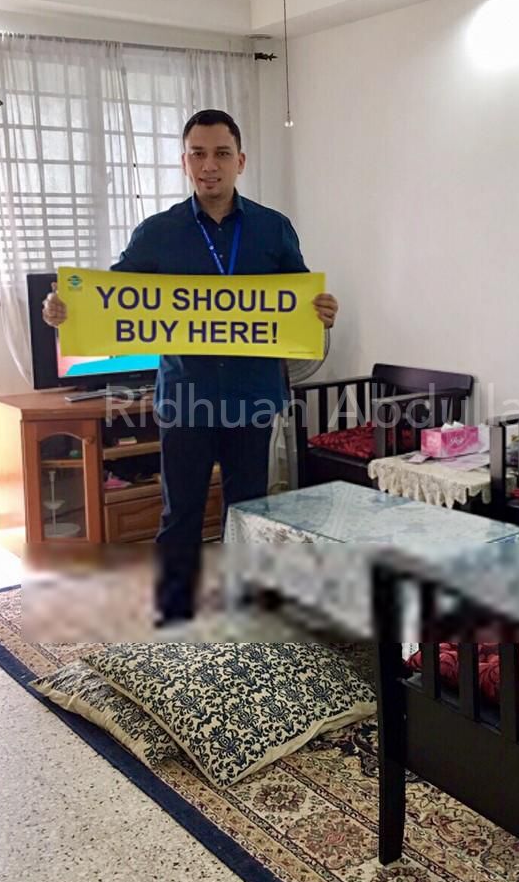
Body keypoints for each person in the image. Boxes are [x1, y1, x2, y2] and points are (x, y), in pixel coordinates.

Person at [42, 109, 338, 623]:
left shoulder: (272, 229)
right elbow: (108, 299)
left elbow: (298, 299)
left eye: (221, 153)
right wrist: (64, 311)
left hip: (251, 395)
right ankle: (174, 609)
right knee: (180, 510)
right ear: (185, 162)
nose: (209, 165)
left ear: (240, 161)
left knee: (248, 509)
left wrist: (322, 311)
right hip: (186, 398)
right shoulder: (158, 233)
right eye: (198, 154)